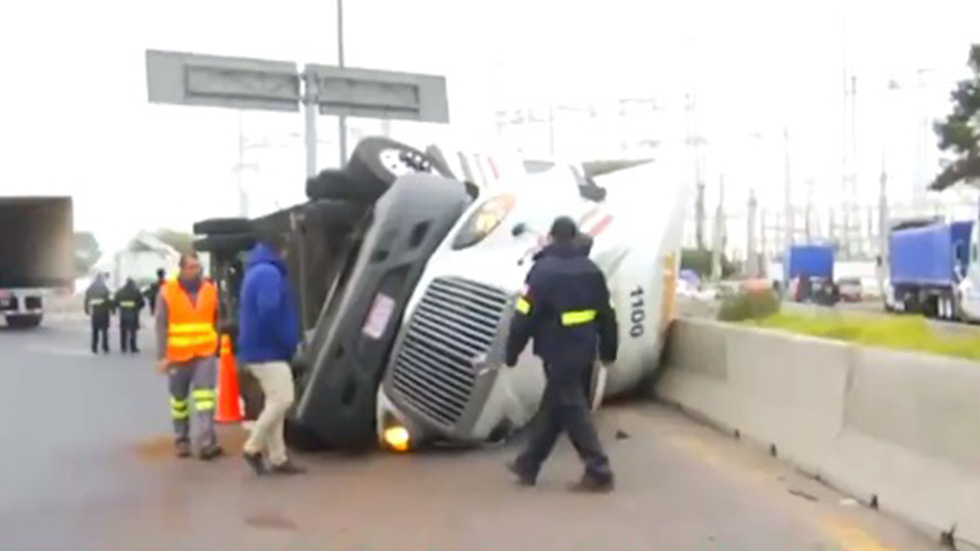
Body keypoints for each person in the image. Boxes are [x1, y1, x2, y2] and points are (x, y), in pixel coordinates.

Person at [505, 216, 618, 492]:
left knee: (572, 406)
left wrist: (512, 351)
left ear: (552, 238)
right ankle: (528, 464)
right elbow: (606, 315)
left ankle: (599, 469)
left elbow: (524, 316)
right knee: (554, 408)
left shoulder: (542, 272)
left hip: (556, 350)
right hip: (584, 349)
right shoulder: (592, 270)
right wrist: (608, 350)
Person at [237, 231, 304, 476]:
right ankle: (253, 447)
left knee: (274, 400)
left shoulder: (256, 271)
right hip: (269, 350)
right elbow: (270, 312)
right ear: (281, 250)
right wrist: (287, 340)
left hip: (256, 349)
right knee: (283, 399)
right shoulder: (270, 274)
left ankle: (278, 457)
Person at [155, 252, 223, 460]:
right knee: (179, 401)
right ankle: (181, 440)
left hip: (204, 352)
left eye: (198, 266)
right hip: (178, 355)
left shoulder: (210, 290)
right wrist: (162, 356)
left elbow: (216, 318)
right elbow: (161, 325)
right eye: (192, 267)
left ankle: (206, 442)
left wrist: (217, 342)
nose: (196, 270)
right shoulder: (167, 292)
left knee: (205, 398)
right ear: (182, 269)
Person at [84, 273, 113, 354]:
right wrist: (112, 309)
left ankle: (94, 347)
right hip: (104, 312)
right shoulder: (104, 288)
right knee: (104, 331)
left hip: (95, 312)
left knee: (95, 330)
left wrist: (86, 309)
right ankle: (105, 347)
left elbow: (86, 300)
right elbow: (109, 300)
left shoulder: (91, 288)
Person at [114, 278, 145, 353]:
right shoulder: (136, 291)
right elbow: (142, 303)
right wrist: (137, 308)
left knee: (123, 331)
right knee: (133, 331)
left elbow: (115, 302)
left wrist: (120, 307)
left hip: (123, 314)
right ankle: (133, 347)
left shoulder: (120, 291)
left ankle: (123, 347)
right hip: (133, 313)